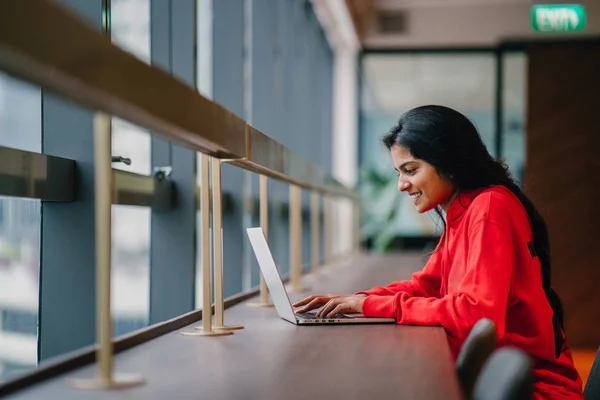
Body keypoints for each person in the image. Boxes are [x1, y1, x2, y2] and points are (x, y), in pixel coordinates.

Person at [294, 105, 583, 399]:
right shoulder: (464, 210)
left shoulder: (489, 208)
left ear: (450, 163)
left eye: (411, 170)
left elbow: (476, 315)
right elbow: (426, 286)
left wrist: (376, 306)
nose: (401, 185)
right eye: (399, 172)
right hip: (493, 377)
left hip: (531, 390)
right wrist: (361, 300)